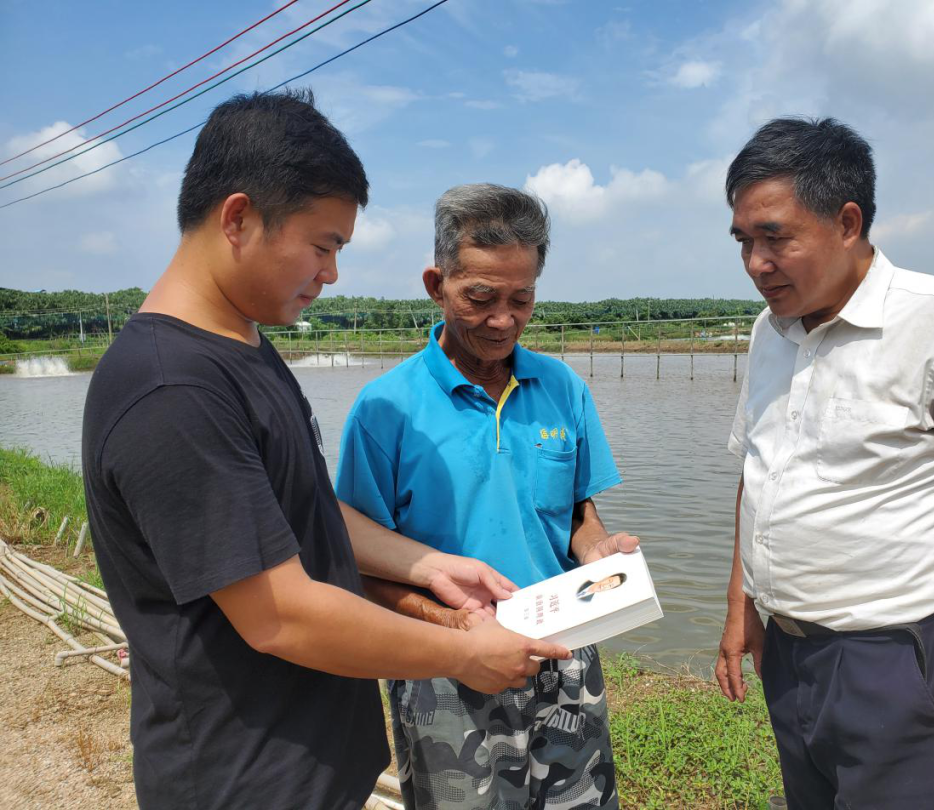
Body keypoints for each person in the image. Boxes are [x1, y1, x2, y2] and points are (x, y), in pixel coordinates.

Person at [81, 91, 568, 810]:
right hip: (241, 780)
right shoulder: (173, 390)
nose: (332, 272)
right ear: (238, 218)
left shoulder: (241, 345)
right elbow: (280, 613)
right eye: (323, 246)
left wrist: (429, 565)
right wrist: (465, 653)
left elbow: (299, 512)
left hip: (304, 760)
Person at [713, 117, 934, 810]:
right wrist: (741, 604)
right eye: (743, 240)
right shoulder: (770, 330)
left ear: (847, 222)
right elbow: (759, 472)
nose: (755, 264)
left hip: (901, 660)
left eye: (775, 237)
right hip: (791, 653)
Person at [336, 183, 637, 810]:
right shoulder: (385, 409)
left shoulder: (562, 388)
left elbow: (577, 513)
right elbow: (359, 560)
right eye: (480, 298)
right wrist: (450, 624)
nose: (503, 320)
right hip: (444, 665)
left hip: (563, 653)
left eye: (520, 299)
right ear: (436, 284)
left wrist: (597, 551)